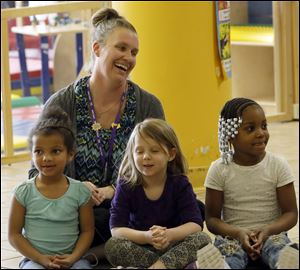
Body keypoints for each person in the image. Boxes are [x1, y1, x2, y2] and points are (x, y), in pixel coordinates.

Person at [28, 7, 165, 262]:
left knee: (190, 212)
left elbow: (165, 171)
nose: (129, 57)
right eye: (121, 48)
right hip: (73, 219)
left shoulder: (149, 106)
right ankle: (93, 255)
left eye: (134, 52)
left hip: (130, 217)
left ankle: (90, 257)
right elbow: (35, 174)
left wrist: (116, 189)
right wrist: (74, 189)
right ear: (97, 48)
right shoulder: (61, 104)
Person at [197, 98, 299, 269]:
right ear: (230, 136)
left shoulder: (278, 165)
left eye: (264, 126)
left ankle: (285, 263)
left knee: (278, 247)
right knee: (230, 251)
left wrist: (267, 231)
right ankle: (224, 266)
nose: (261, 133)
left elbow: (291, 214)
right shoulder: (219, 169)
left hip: (271, 234)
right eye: (251, 128)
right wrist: (238, 232)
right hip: (233, 236)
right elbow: (212, 219)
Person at [105, 118, 211, 269]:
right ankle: (167, 265)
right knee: (112, 246)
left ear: (171, 154)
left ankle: (160, 266)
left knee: (202, 239)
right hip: (141, 247)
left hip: (173, 246)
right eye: (139, 151)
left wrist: (169, 235)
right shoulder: (126, 184)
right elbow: (116, 229)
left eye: (154, 151)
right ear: (132, 154)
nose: (146, 156)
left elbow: (195, 225)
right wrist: (147, 237)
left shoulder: (180, 183)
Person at [8, 107, 94, 269]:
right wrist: (40, 259)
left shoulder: (80, 192)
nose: (46, 158)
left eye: (56, 151)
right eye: (39, 151)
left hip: (72, 260)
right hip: (35, 261)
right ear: (32, 155)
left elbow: (87, 231)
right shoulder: (23, 192)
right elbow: (14, 235)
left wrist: (73, 257)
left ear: (70, 154)